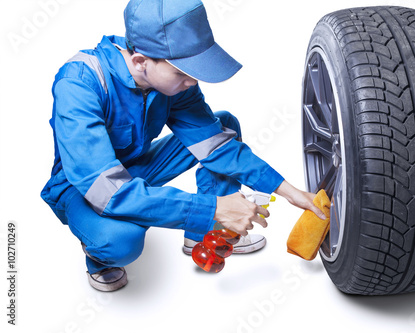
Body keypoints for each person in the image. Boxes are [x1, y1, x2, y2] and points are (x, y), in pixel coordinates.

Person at [41, 0, 325, 292]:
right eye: (183, 72)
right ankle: (100, 258)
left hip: (136, 168)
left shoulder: (171, 83)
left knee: (223, 125)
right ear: (140, 61)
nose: (193, 80)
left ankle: (204, 235)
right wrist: (213, 207)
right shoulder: (78, 82)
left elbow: (216, 146)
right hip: (85, 187)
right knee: (120, 242)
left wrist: (289, 191)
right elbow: (108, 191)